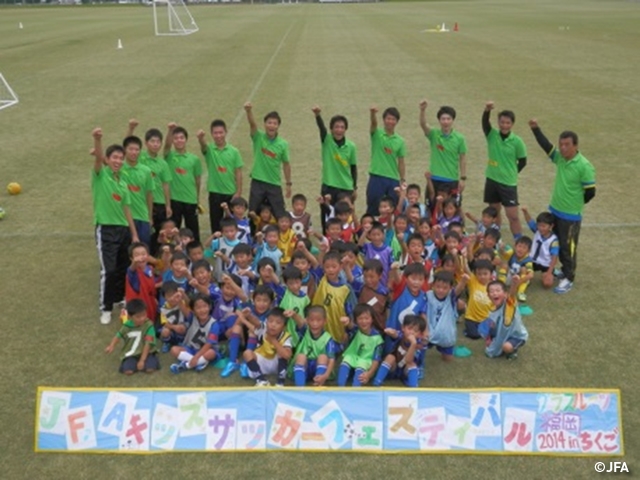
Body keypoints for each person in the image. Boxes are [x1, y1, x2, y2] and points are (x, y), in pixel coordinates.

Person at [529, 120, 596, 293]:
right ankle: (563, 271)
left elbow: (590, 192)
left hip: (571, 215)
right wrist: (536, 129)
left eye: (567, 145)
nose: (563, 148)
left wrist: (575, 203)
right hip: (555, 210)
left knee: (568, 249)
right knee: (556, 243)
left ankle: (569, 277)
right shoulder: (559, 158)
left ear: (575, 145)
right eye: (561, 144)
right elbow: (547, 147)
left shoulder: (584, 166)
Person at [90, 128, 139, 325]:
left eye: (121, 158)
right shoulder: (101, 177)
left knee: (121, 268)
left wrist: (134, 234)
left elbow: (128, 211)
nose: (118, 161)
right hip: (106, 230)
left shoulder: (123, 183)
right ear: (107, 160)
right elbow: (97, 160)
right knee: (108, 270)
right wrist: (97, 139)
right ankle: (106, 307)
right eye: (115, 158)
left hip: (123, 231)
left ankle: (120, 299)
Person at [482, 102, 528, 239]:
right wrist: (487, 111)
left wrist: (512, 172)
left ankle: (519, 240)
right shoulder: (492, 135)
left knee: (513, 216)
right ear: (498, 122)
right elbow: (485, 123)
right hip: (492, 180)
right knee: (494, 212)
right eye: (502, 122)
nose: (504, 125)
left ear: (512, 124)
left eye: (508, 123)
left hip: (508, 183)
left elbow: (523, 161)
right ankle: (495, 238)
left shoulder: (517, 141)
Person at [127, 120, 172, 255]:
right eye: (152, 141)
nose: (155, 144)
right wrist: (131, 129)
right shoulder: (140, 158)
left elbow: (165, 184)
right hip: (145, 204)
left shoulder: (163, 164)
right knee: (145, 236)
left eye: (158, 142)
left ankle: (156, 264)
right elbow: (127, 145)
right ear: (146, 143)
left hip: (160, 205)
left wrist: (168, 205)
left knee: (160, 236)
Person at [311, 106, 358, 228]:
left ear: (346, 129)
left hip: (345, 187)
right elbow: (322, 129)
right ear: (331, 129)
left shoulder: (351, 146)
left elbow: (353, 167)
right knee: (327, 217)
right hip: (329, 186)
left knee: (346, 218)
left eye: (342, 127)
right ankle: (328, 242)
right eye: (336, 127)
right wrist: (317, 115)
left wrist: (354, 187)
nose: (339, 130)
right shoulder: (327, 141)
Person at [244, 102, 291, 218]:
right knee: (253, 213)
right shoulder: (258, 137)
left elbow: (286, 164)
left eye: (275, 123)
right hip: (258, 181)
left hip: (274, 183)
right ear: (265, 124)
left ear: (278, 126)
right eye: (269, 122)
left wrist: (288, 183)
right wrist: (249, 111)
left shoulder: (283, 144)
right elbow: (252, 125)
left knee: (279, 214)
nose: (272, 125)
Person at [196, 119, 244, 234]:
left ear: (225, 132)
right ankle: (217, 248)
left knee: (232, 224)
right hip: (215, 193)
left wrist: (238, 192)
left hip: (230, 193)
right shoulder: (210, 150)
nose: (218, 136)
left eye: (220, 132)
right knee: (216, 224)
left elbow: (238, 172)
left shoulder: (234, 152)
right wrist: (201, 138)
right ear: (212, 134)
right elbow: (203, 146)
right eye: (215, 133)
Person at [419, 100, 467, 205]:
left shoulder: (459, 138)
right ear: (439, 120)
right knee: (431, 209)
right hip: (434, 179)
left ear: (452, 120)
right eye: (443, 119)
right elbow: (423, 124)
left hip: (451, 180)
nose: (446, 122)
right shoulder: (434, 134)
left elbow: (462, 158)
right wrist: (422, 110)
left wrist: (463, 178)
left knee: (452, 211)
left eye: (448, 119)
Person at [164, 123, 202, 242]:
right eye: (176, 138)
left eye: (181, 138)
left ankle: (195, 252)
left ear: (186, 140)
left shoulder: (194, 159)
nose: (179, 140)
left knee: (193, 230)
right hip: (175, 200)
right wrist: (170, 130)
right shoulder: (169, 156)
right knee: (174, 230)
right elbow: (166, 146)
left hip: (190, 199)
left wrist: (197, 198)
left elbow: (197, 180)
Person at [366, 106, 406, 216]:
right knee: (373, 208)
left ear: (397, 121)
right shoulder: (377, 134)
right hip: (377, 176)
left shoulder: (400, 141)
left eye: (393, 119)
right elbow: (373, 124)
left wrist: (402, 179)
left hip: (393, 179)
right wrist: (373, 114)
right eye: (388, 118)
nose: (390, 121)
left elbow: (401, 161)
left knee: (393, 210)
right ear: (384, 120)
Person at [104, 299, 159, 375]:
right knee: (128, 371)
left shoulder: (149, 325)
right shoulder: (126, 325)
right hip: (131, 353)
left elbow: (148, 344)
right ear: (130, 317)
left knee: (150, 369)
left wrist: (142, 360)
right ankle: (132, 363)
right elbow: (119, 335)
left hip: (147, 352)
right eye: (138, 317)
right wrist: (111, 346)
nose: (142, 318)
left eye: (144, 315)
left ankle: (146, 361)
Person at [243, 307, 293, 386]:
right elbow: (257, 323)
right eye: (270, 321)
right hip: (262, 361)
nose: (273, 325)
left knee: (282, 352)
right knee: (247, 353)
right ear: (266, 321)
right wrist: (249, 315)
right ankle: (261, 380)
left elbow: (287, 356)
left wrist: (273, 340)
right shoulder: (264, 329)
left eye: (278, 322)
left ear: (284, 327)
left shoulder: (287, 336)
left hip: (276, 364)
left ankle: (280, 382)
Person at [482, 276, 529, 359]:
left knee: (506, 347)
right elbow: (490, 326)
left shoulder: (509, 305)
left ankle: (512, 351)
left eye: (498, 290)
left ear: (505, 294)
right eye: (491, 291)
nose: (495, 293)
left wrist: (514, 284)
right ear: (488, 295)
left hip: (516, 335)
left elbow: (512, 294)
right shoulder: (491, 310)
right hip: (501, 333)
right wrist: (488, 338)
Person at [337, 303, 383, 387]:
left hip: (365, 360)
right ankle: (340, 389)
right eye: (360, 318)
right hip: (351, 356)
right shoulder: (356, 330)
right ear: (356, 320)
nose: (364, 321)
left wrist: (369, 374)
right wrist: (347, 321)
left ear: (372, 319)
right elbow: (350, 326)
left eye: (366, 318)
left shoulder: (378, 339)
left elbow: (376, 360)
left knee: (357, 382)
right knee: (342, 374)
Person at [374, 314, 427, 387]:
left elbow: (409, 361)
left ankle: (414, 390)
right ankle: (376, 383)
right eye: (409, 328)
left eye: (415, 331)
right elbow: (396, 334)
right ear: (403, 328)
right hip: (395, 367)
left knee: (412, 365)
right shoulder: (402, 335)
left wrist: (413, 344)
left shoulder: (420, 345)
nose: (411, 332)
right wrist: (390, 332)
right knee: (390, 357)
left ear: (420, 334)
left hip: (408, 371)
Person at [120, 135, 154, 247]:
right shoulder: (118, 169)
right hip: (123, 218)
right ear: (124, 150)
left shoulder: (146, 171)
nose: (134, 152)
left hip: (142, 217)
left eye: (137, 149)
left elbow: (149, 195)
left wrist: (150, 216)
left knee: (143, 249)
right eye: (130, 149)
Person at [292, 306, 338, 387]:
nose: (315, 323)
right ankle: (299, 388)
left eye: (318, 320)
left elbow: (331, 360)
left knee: (323, 357)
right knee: (301, 356)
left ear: (325, 321)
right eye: (312, 320)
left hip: (319, 367)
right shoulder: (304, 331)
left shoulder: (328, 338)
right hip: (305, 367)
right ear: (307, 320)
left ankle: (318, 384)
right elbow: (299, 322)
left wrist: (326, 375)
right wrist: (294, 315)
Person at [521, 207, 559, 289]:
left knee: (547, 284)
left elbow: (554, 258)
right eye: (539, 225)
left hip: (546, 264)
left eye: (543, 226)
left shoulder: (554, 241)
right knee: (521, 273)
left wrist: (549, 272)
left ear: (551, 226)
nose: (540, 228)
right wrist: (525, 212)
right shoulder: (537, 230)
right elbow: (530, 222)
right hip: (532, 260)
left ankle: (553, 272)